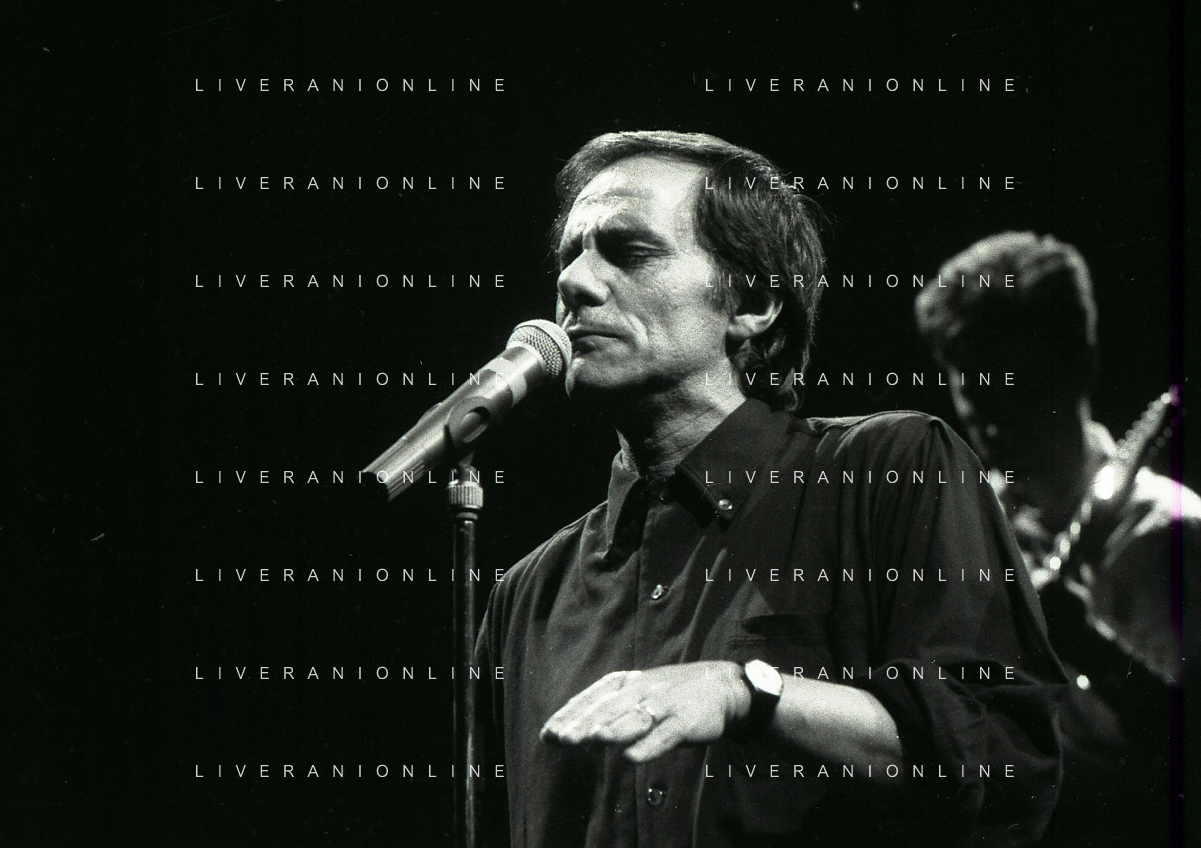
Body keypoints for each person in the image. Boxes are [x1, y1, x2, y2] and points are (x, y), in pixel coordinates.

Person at [474, 133, 1065, 848]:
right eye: (570, 254)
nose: (574, 281)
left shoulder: (888, 470)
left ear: (753, 303)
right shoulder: (527, 595)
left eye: (627, 252)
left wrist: (747, 691)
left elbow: (1002, 758)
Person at [915, 232, 1200, 845]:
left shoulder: (1174, 539)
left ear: (1078, 362)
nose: (985, 408)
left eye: (1009, 374)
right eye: (967, 379)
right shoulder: (956, 534)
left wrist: (1080, 638)